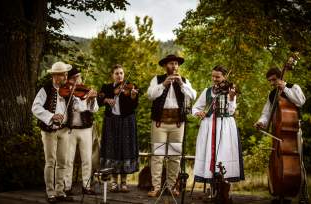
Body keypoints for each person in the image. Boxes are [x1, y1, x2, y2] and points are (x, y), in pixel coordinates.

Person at [254, 67, 308, 204]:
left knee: (299, 164)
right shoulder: (272, 94)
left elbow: (300, 101)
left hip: (293, 131)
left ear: (281, 77)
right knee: (278, 162)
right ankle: (280, 192)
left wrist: (285, 88)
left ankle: (303, 196)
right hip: (278, 133)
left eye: (274, 79)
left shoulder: (293, 87)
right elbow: (266, 113)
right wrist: (261, 122)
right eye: (269, 81)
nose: (272, 83)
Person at [147, 54, 197, 197]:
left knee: (175, 156)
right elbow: (150, 95)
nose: (174, 66)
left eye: (176, 64)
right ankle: (155, 187)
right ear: (165, 66)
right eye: (171, 64)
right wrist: (163, 84)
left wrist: (181, 84)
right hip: (159, 123)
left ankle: (171, 186)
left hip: (177, 124)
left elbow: (192, 96)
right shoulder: (157, 79)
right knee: (158, 155)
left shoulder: (184, 81)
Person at [192, 65, 244, 186]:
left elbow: (231, 111)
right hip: (209, 124)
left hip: (225, 125)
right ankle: (211, 184)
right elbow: (195, 107)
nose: (215, 79)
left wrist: (231, 97)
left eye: (218, 77)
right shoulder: (207, 91)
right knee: (210, 152)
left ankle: (223, 186)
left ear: (224, 76)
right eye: (213, 76)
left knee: (224, 152)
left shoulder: (230, 90)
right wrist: (198, 112)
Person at [31, 61, 74, 203]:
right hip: (49, 131)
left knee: (63, 162)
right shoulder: (45, 89)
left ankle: (60, 191)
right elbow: (35, 108)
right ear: (56, 76)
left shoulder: (68, 90)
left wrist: (90, 98)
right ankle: (50, 192)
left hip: (64, 130)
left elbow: (79, 105)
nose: (66, 77)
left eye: (66, 74)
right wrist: (51, 116)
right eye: (64, 75)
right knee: (50, 162)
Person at [97, 64, 139, 193]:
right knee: (112, 150)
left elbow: (134, 106)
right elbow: (99, 100)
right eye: (117, 73)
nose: (119, 75)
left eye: (121, 73)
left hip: (127, 121)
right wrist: (106, 100)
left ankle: (124, 182)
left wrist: (132, 96)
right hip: (111, 122)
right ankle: (114, 182)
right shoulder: (107, 87)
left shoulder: (130, 87)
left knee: (125, 149)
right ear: (112, 75)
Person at [64, 67, 99, 195]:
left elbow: (94, 109)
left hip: (86, 129)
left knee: (87, 159)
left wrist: (92, 99)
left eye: (79, 77)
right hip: (70, 130)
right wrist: (85, 99)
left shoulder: (85, 91)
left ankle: (86, 186)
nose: (77, 80)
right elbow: (77, 107)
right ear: (69, 80)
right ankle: (67, 187)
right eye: (74, 78)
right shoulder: (67, 92)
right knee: (68, 160)